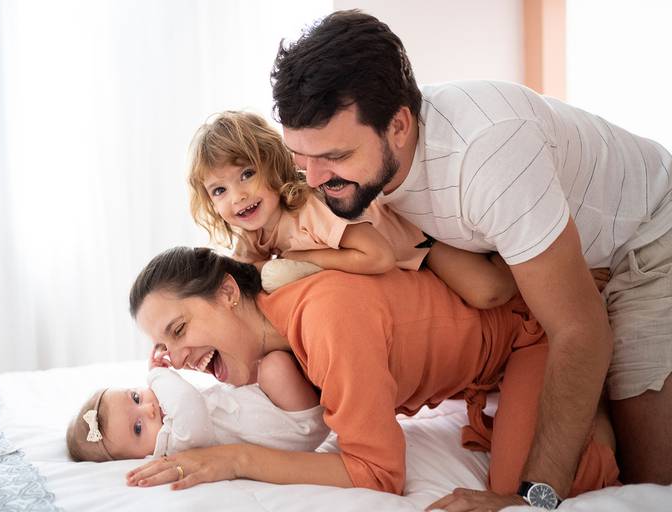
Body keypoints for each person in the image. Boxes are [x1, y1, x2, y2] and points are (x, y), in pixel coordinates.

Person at [270, 9, 672, 508]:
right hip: (559, 271)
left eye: (334, 156)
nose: (312, 179)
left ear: (399, 125)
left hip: (648, 236)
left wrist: (531, 499)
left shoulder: (489, 156)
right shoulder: (355, 172)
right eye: (299, 157)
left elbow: (580, 329)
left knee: (653, 476)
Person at [123, 246, 619, 507]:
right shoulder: (273, 340)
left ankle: (586, 403)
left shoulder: (323, 322)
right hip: (479, 364)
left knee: (515, 491)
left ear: (229, 293)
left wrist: (235, 460)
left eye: (180, 328)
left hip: (527, 336)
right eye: (164, 347)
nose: (180, 357)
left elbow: (380, 475)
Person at [188, 110, 517, 308]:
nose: (238, 196)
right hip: (402, 250)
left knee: (489, 292)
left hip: (418, 240)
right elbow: (240, 277)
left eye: (247, 174)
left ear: (273, 166)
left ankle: (520, 261)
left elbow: (379, 257)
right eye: (220, 190)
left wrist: (304, 259)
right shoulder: (253, 232)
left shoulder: (307, 208)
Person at [66, 352, 328, 462]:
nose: (149, 409)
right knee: (275, 366)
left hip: (278, 409)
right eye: (137, 428)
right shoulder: (174, 444)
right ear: (140, 457)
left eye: (136, 398)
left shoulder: (167, 420)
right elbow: (190, 405)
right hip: (296, 427)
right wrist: (156, 374)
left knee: (267, 364)